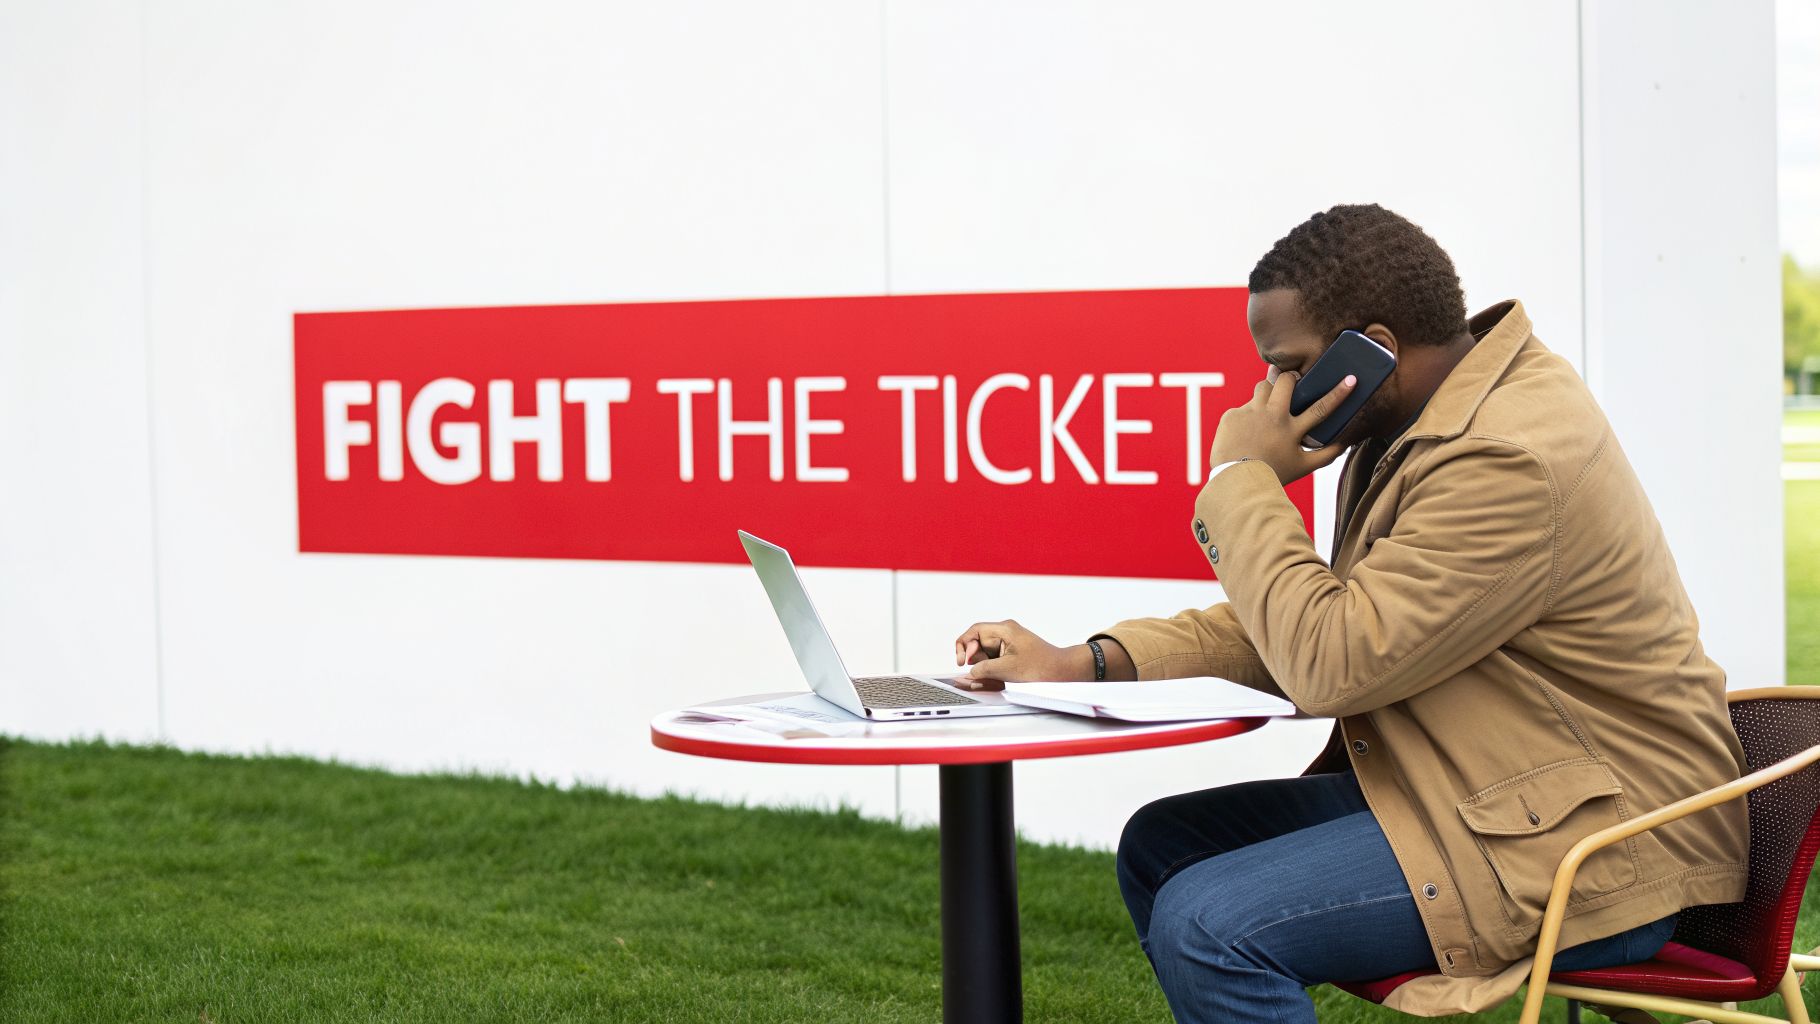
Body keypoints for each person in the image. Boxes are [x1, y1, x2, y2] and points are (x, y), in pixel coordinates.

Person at [950, 204, 1749, 1022]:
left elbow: (1330, 661)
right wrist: (1082, 661)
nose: (1271, 394)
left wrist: (1239, 479)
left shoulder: (1503, 457)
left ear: (1374, 348)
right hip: (1498, 794)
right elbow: (1314, 621)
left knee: (1207, 924)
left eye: (1286, 366)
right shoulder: (1423, 426)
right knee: (1164, 847)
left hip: (1604, 842)